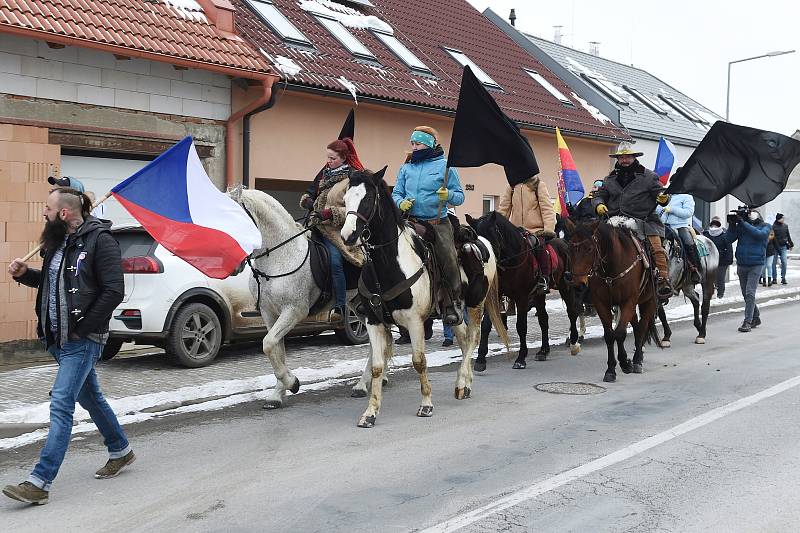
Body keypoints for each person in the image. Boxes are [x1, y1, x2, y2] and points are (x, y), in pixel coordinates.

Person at [3, 187, 133, 506]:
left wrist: (84, 330)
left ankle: (39, 481)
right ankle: (121, 450)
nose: (43, 213)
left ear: (63, 212)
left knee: (61, 403)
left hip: (81, 338)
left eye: (47, 208)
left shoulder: (100, 240)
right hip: (56, 337)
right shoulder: (57, 241)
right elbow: (52, 283)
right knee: (91, 397)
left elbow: (114, 290)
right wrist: (25, 275)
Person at [392, 126, 465, 325]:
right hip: (411, 221)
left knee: (448, 258)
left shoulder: (445, 166)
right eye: (412, 144)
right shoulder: (406, 167)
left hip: (437, 223)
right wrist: (400, 203)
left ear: (430, 144)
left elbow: (460, 196)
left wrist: (448, 195)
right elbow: (395, 193)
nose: (414, 147)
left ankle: (451, 302)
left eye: (418, 143)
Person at [592, 142, 672, 300]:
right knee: (591, 245)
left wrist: (663, 198)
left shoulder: (649, 176)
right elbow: (598, 195)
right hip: (614, 220)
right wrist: (599, 204)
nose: (624, 160)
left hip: (644, 220)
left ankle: (663, 279)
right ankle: (589, 281)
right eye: (621, 157)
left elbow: (662, 193)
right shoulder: (609, 178)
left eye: (627, 157)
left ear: (634, 157)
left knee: (656, 247)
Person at [300, 138, 365, 323]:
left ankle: (340, 307)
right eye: (327, 158)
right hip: (315, 226)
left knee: (335, 262)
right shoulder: (325, 174)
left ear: (344, 157)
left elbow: (356, 210)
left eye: (333, 158)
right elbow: (312, 193)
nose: (329, 161)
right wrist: (308, 201)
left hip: (337, 231)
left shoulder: (353, 178)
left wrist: (331, 213)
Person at [497, 173, 557, 292]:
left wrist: (548, 229)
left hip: (535, 230)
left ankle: (544, 278)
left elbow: (547, 209)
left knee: (540, 248)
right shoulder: (511, 187)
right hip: (516, 231)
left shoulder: (539, 185)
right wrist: (497, 224)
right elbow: (504, 209)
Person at [726, 207, 771, 332]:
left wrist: (742, 222)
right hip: (742, 264)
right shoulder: (742, 226)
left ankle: (748, 321)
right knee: (746, 294)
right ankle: (756, 317)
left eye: (753, 212)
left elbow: (759, 235)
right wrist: (732, 225)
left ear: (758, 215)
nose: (751, 214)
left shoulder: (766, 226)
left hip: (756, 264)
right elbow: (728, 239)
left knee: (750, 293)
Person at [657, 193, 702, 284]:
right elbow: (657, 211)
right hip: (663, 226)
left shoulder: (687, 197)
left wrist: (672, 209)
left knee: (688, 242)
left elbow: (688, 212)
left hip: (680, 226)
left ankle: (695, 269)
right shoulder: (664, 196)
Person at [703, 216, 733, 298]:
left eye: (716, 225)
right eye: (713, 225)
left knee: (720, 278)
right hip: (710, 260)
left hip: (722, 261)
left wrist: (729, 259)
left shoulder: (724, 235)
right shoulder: (706, 234)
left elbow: (729, 247)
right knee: (710, 278)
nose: (714, 227)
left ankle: (720, 295)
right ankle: (710, 294)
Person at [771, 213, 794, 285]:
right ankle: (774, 278)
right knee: (773, 263)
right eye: (782, 218)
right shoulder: (773, 227)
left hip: (783, 246)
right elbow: (771, 238)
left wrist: (791, 244)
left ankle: (783, 278)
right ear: (779, 219)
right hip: (775, 247)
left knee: (784, 262)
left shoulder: (785, 226)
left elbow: (788, 236)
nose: (783, 219)